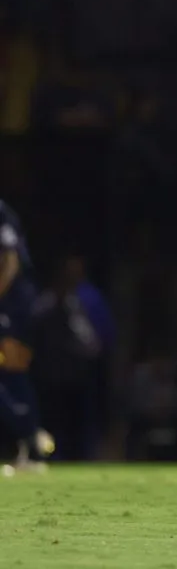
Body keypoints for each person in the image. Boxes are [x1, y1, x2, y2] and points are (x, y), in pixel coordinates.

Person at [0, 200, 54, 473]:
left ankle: (30, 441)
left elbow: (10, 261)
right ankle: (29, 438)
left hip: (13, 303)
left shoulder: (1, 211)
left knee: (14, 369)